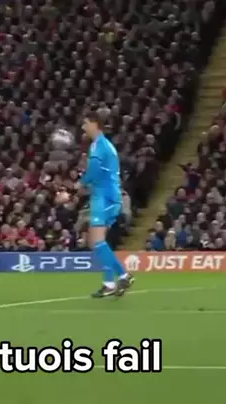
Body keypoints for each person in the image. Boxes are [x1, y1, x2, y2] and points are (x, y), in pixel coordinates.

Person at [59, 111, 134, 297]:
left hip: (105, 197)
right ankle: (110, 283)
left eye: (86, 123)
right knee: (100, 243)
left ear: (94, 124)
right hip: (109, 195)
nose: (83, 127)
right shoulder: (105, 145)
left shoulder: (98, 145)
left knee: (96, 241)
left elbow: (93, 171)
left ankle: (123, 275)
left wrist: (78, 185)